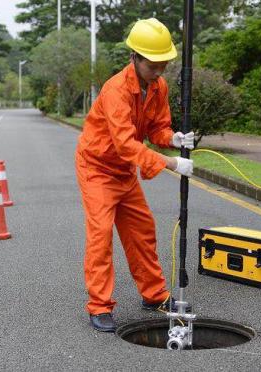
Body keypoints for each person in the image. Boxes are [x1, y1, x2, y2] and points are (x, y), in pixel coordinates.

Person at [75, 18, 194, 332]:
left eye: (163, 65)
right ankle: (99, 306)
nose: (158, 71)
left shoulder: (158, 86)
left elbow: (156, 127)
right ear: (135, 58)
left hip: (123, 170)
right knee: (100, 237)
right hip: (97, 167)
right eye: (153, 65)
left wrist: (173, 139)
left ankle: (154, 294)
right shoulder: (116, 90)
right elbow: (126, 144)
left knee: (142, 229)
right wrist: (170, 164)